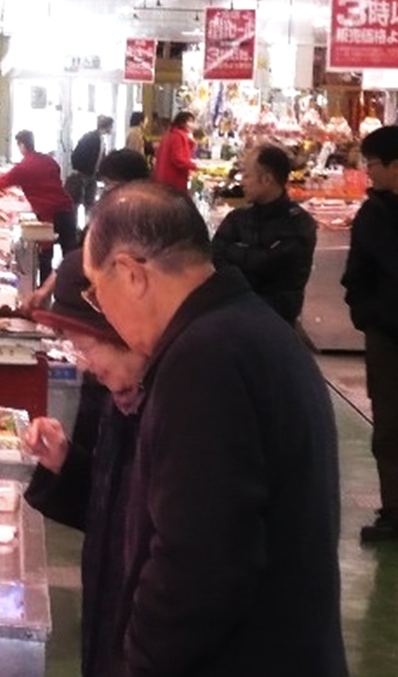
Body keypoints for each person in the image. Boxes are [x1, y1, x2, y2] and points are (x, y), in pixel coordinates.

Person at [79, 181, 347, 677]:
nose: (103, 312)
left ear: (130, 273)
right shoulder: (246, 329)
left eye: (96, 292)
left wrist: (141, 662)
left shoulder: (205, 359)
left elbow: (200, 564)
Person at [22, 250, 149, 677]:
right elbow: (118, 511)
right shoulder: (126, 394)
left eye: (86, 347)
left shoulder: (184, 401)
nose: (83, 364)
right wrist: (67, 463)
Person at [341, 126, 398, 543]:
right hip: (387, 334)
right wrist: (369, 316)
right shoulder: (373, 214)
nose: (369, 173)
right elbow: (356, 275)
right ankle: (394, 508)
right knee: (389, 425)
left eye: (373, 164)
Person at [23, 148, 149, 313]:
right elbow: (78, 252)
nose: (107, 190)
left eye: (112, 184)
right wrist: (45, 290)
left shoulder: (141, 222)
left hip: (101, 313)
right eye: (106, 184)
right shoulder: (106, 211)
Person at [212, 143, 317, 325]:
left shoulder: (298, 224)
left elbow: (276, 268)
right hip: (233, 321)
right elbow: (215, 258)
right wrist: (258, 256)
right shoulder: (237, 218)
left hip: (277, 323)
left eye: (247, 175)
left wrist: (237, 253)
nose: (242, 181)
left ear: (267, 179)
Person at [0, 129, 77, 282]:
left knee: (46, 253)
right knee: (71, 254)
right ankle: (72, 288)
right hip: (67, 208)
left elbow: (2, 182)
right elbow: (55, 179)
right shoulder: (49, 160)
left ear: (21, 145)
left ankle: (44, 288)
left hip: (47, 214)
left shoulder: (23, 167)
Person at [67, 115, 114, 211]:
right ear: (107, 126)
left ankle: (86, 223)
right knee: (80, 201)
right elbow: (80, 155)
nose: (112, 129)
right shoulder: (93, 138)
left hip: (90, 173)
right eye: (111, 126)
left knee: (88, 202)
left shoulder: (96, 138)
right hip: (85, 173)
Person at [153, 110, 197, 193]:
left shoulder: (171, 134)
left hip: (164, 179)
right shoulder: (178, 136)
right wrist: (195, 166)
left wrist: (190, 142)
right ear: (182, 123)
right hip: (173, 180)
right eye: (190, 121)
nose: (192, 125)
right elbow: (178, 159)